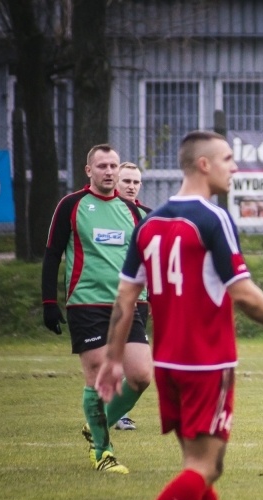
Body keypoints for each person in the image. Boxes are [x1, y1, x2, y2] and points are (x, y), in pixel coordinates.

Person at [96, 130, 263, 500]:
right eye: (228, 159)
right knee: (204, 469)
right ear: (204, 165)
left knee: (200, 466)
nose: (235, 167)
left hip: (168, 364)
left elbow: (125, 297)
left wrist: (114, 357)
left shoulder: (149, 222)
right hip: (207, 364)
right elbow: (241, 292)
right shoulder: (213, 218)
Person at [41, 144, 153, 474]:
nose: (108, 171)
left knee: (141, 376)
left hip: (126, 306)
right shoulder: (72, 205)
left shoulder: (132, 212)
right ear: (89, 171)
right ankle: (103, 453)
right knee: (99, 376)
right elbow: (51, 254)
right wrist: (49, 302)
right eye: (101, 165)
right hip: (86, 304)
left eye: (113, 165)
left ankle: (99, 422)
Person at [112, 161, 152, 431]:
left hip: (142, 299)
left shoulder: (148, 216)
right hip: (108, 299)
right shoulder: (101, 210)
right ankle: (106, 415)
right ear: (115, 181)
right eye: (126, 181)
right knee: (108, 358)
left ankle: (117, 412)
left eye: (136, 182)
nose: (131, 186)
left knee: (136, 363)